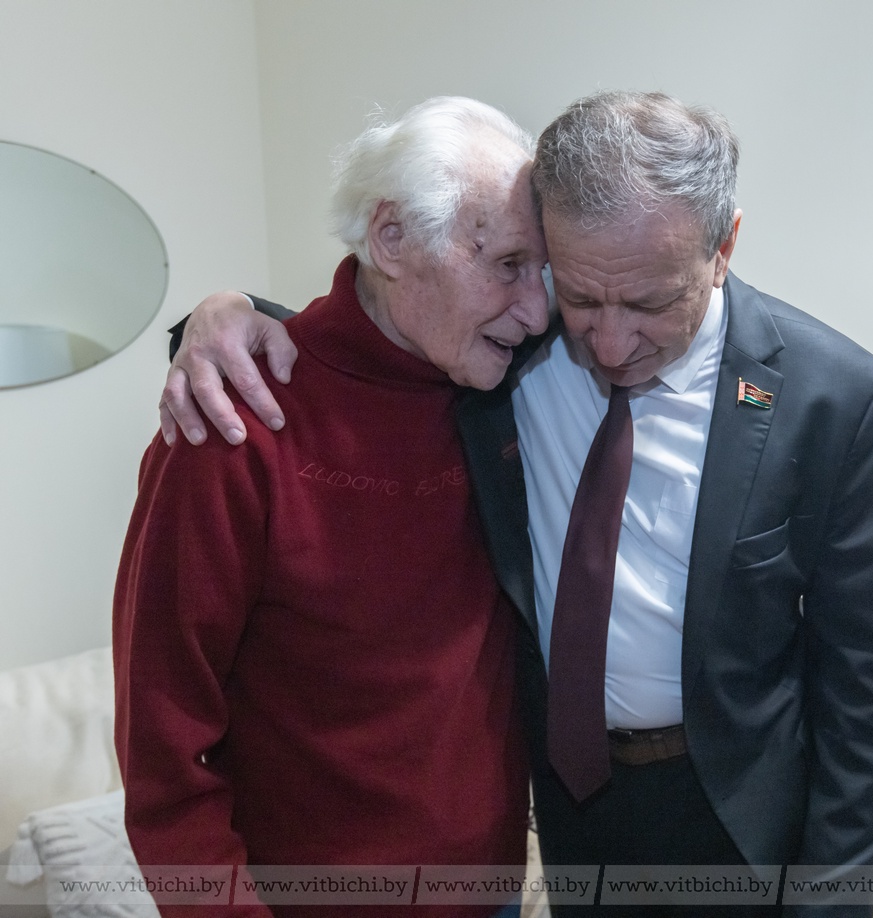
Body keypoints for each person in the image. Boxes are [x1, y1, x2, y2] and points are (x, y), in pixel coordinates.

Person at [162, 90, 873, 917]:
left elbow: (864, 691)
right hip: (571, 815)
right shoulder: (514, 345)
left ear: (723, 246)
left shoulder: (837, 400)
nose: (612, 343)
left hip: (743, 822)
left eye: (651, 304)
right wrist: (222, 317)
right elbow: (387, 333)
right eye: (581, 297)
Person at [114, 96, 551, 918]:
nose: (536, 310)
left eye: (543, 272)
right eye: (506, 265)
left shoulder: (512, 387)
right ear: (392, 238)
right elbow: (165, 750)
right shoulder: (231, 424)